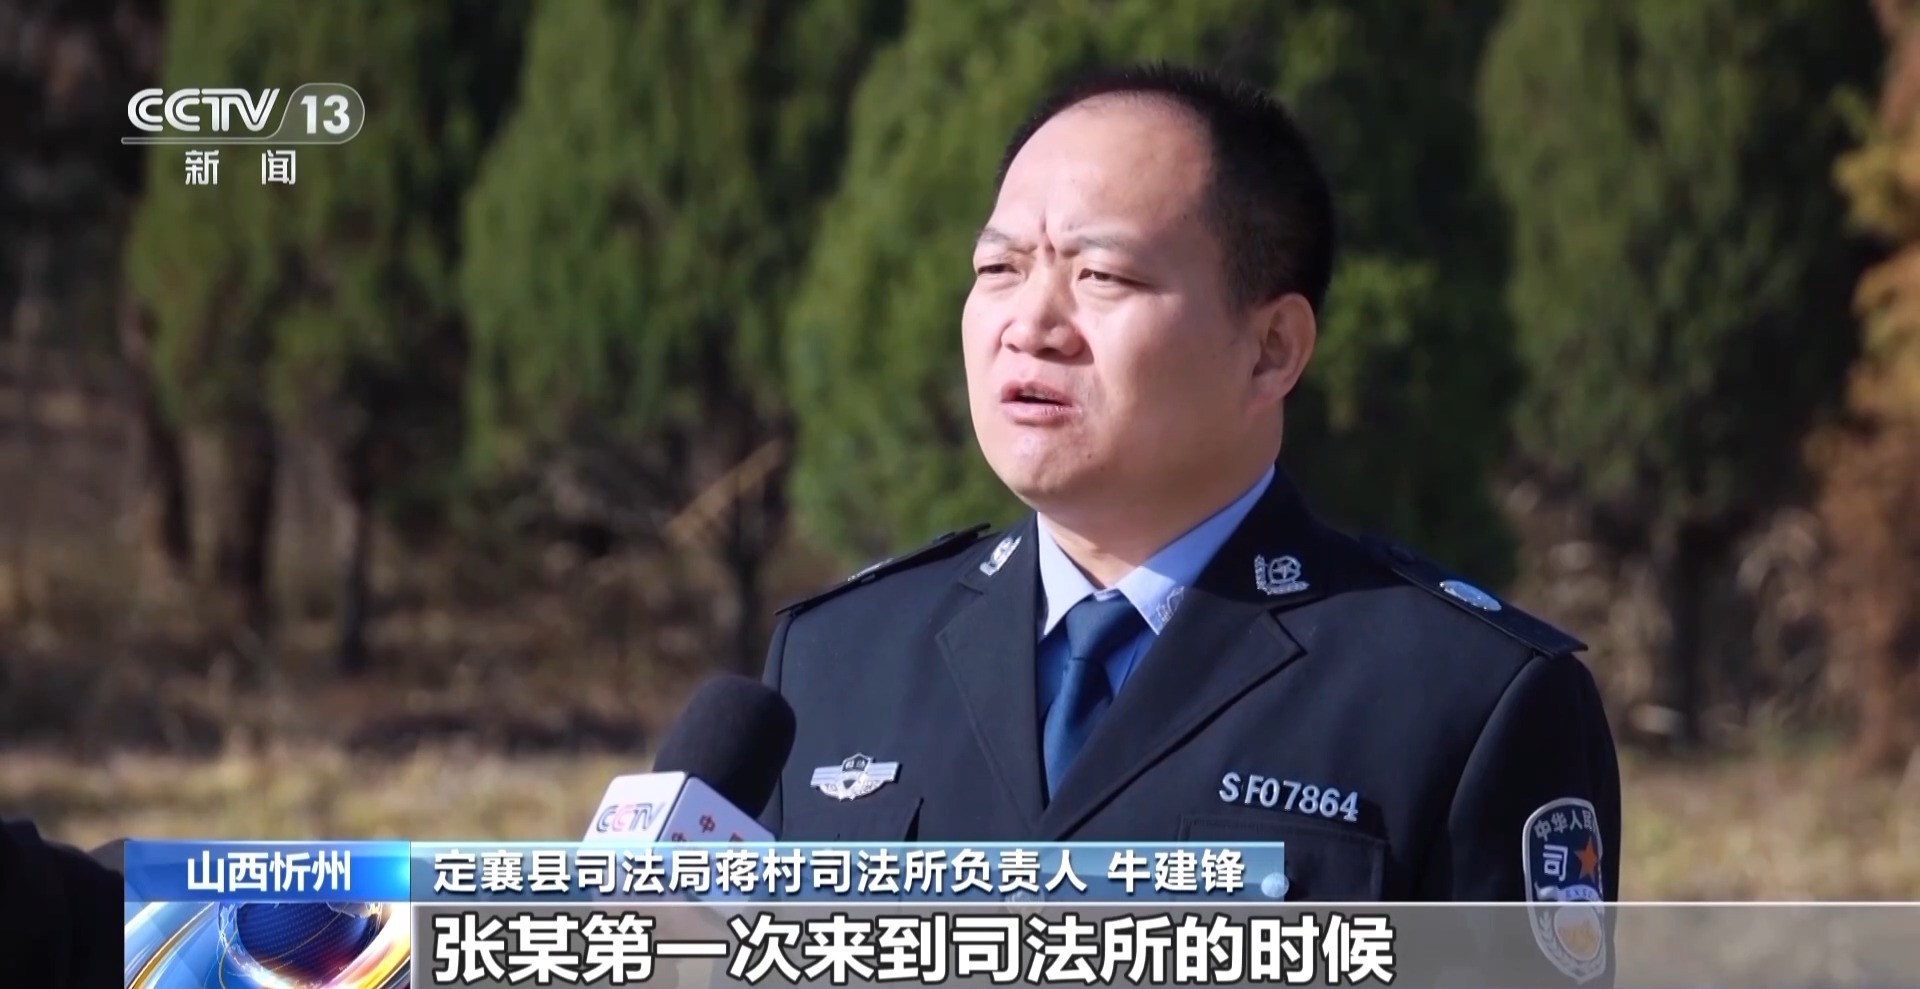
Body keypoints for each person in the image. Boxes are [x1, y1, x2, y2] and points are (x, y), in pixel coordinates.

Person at [758, 61, 1620, 980]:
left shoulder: (1464, 698)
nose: (1030, 324)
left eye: (1102, 275)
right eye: (999, 269)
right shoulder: (835, 661)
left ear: (1271, 349)